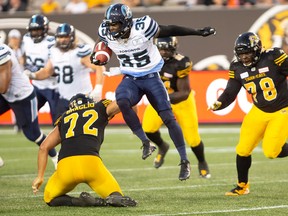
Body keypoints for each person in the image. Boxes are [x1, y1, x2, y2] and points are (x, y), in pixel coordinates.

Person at [91, 3, 216, 180]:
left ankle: (184, 160)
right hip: (130, 77)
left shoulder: (143, 27)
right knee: (122, 101)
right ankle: (145, 142)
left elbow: (169, 28)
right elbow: (101, 43)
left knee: (168, 118)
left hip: (151, 77)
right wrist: (95, 55)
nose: (111, 28)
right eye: (110, 24)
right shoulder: (105, 30)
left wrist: (197, 31)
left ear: (126, 22)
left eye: (115, 24)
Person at [208, 32, 288, 195]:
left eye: (248, 53)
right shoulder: (236, 67)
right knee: (243, 149)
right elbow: (231, 91)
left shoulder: (273, 56)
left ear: (257, 49)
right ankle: (242, 186)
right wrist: (220, 103)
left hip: (282, 109)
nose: (244, 57)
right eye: (241, 54)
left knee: (271, 152)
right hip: (258, 110)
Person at [32, 93, 137, 207]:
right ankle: (113, 198)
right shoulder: (98, 107)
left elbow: (43, 147)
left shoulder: (64, 118)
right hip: (91, 163)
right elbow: (123, 100)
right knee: (115, 194)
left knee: (49, 197)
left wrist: (40, 176)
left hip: (66, 167)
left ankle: (79, 202)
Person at [142, 37, 211, 179]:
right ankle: (162, 146)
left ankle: (202, 162)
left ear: (173, 49)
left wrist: (162, 98)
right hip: (161, 100)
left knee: (193, 139)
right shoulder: (149, 59)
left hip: (180, 102)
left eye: (166, 49)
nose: (163, 52)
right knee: (148, 128)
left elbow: (184, 93)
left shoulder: (180, 62)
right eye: (160, 49)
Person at [25, 23, 105, 116]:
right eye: (60, 37)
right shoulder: (54, 51)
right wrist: (32, 75)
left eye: (65, 37)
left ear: (72, 37)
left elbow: (99, 67)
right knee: (60, 128)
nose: (62, 40)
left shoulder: (80, 52)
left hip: (82, 99)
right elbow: (47, 71)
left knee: (82, 129)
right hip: (63, 99)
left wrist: (98, 89)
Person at [0, 43, 58, 169]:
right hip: (6, 96)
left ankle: (55, 156)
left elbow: (3, 87)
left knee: (33, 134)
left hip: (22, 96)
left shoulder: (2, 53)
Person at [22, 14, 60, 125]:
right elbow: (25, 58)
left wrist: (36, 71)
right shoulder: (26, 39)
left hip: (53, 87)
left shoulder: (52, 43)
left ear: (45, 29)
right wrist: (27, 66)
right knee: (27, 116)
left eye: (38, 30)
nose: (35, 33)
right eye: (33, 30)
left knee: (57, 121)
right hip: (36, 86)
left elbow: (53, 71)